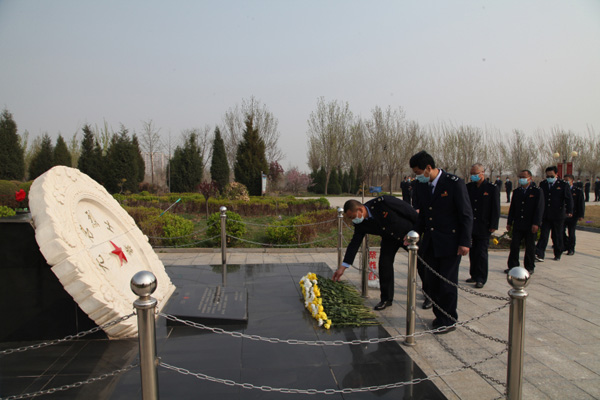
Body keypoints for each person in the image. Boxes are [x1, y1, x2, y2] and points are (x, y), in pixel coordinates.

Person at [409, 150, 473, 334]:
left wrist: (465, 242)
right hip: (430, 242)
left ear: (428, 168)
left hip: (450, 242)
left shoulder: (454, 183)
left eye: (418, 172)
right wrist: (414, 232)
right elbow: (423, 215)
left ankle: (449, 319)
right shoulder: (421, 186)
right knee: (432, 282)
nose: (417, 176)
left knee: (447, 283)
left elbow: (466, 214)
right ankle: (439, 316)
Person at [333, 196, 417, 311]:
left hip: (408, 235)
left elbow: (408, 210)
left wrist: (417, 230)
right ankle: (386, 299)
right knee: (384, 265)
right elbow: (354, 244)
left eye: (352, 217)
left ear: (360, 210)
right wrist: (343, 267)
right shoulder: (360, 224)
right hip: (389, 239)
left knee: (423, 263)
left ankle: (430, 296)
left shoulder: (382, 202)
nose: (353, 220)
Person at [466, 164, 500, 288]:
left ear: (482, 173)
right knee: (472, 251)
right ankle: (473, 274)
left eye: (476, 173)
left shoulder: (491, 188)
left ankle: (481, 277)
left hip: (484, 225)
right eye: (472, 174)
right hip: (471, 225)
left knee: (481, 252)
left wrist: (494, 225)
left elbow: (496, 208)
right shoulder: (469, 187)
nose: (473, 176)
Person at [506, 170, 544, 274]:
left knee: (530, 246)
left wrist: (536, 223)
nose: (521, 179)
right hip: (518, 223)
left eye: (524, 177)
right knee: (514, 245)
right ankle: (513, 266)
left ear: (530, 178)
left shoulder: (537, 191)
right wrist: (509, 222)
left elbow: (539, 209)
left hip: (530, 224)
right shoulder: (517, 191)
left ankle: (529, 266)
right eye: (520, 177)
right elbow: (512, 208)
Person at [535, 166, 573, 261]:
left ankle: (558, 252)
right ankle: (539, 254)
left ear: (556, 175)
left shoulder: (563, 185)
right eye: (548, 176)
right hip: (546, 215)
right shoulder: (543, 184)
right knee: (543, 235)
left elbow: (568, 199)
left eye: (551, 176)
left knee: (557, 235)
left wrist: (569, 211)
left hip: (558, 215)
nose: (549, 178)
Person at [563, 174, 585, 255]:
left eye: (567, 180)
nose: (565, 182)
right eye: (564, 180)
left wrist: (581, 215)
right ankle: (565, 244)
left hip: (573, 215)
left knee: (571, 232)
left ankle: (571, 248)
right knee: (561, 231)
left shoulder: (578, 191)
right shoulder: (562, 189)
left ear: (572, 180)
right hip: (563, 215)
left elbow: (581, 204)